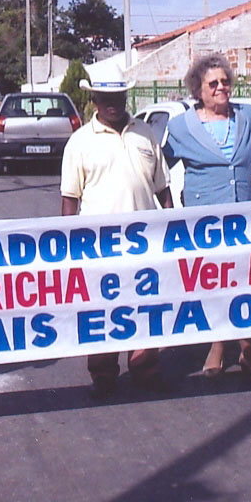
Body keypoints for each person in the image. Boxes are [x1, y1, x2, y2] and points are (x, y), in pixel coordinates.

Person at [163, 52, 251, 380]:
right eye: (213, 84)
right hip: (204, 222)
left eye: (225, 82)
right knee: (213, 282)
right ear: (197, 90)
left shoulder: (248, 117)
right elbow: (159, 167)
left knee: (245, 282)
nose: (221, 88)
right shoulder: (180, 126)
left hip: (245, 219)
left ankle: (248, 351)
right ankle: (216, 345)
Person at [61, 80, 173, 398]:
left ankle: (144, 367)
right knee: (102, 311)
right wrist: (69, 246)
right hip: (99, 247)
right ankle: (103, 373)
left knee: (145, 307)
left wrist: (172, 228)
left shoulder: (145, 133)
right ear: (93, 98)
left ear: (126, 96)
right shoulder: (80, 142)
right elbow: (70, 199)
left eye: (117, 96)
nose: (112, 103)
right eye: (104, 97)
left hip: (146, 243)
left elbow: (162, 188)